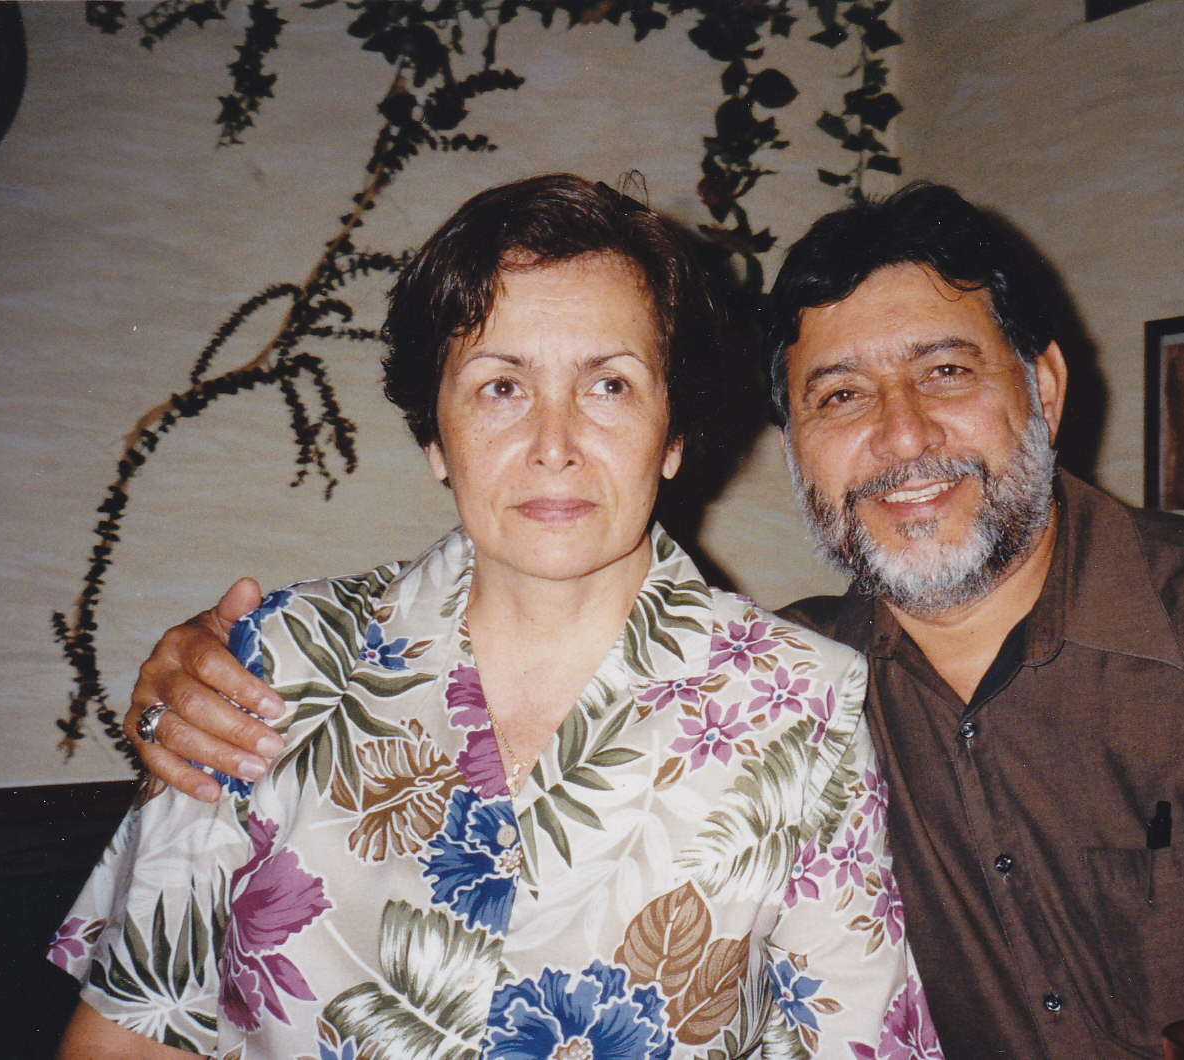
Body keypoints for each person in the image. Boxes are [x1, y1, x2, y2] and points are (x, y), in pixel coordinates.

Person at [125, 183, 1184, 1058]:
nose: (901, 437)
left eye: (945, 372)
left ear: (1042, 388)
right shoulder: (795, 687)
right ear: (790, 445)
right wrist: (202, 671)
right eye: (839, 397)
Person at [50, 175, 941, 1060]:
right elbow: (130, 1037)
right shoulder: (270, 665)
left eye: (610, 386)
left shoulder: (803, 707)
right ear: (434, 434)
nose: (554, 445)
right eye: (501, 388)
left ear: (672, 433)